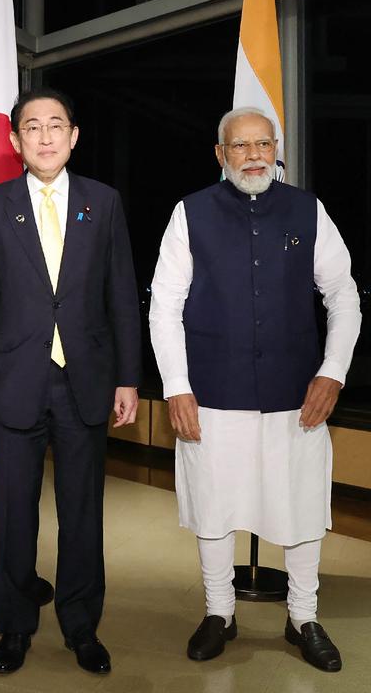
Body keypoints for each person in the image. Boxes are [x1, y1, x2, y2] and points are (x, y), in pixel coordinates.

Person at [149, 106, 360, 673]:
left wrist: (333, 371)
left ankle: (303, 617)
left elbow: (343, 295)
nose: (254, 155)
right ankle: (219, 612)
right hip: (211, 394)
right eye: (239, 146)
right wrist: (177, 386)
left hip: (298, 395)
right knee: (213, 508)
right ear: (221, 155)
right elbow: (164, 306)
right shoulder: (189, 213)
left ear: (276, 149)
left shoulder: (307, 210)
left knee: (301, 506)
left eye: (262, 144)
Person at [0, 88, 141, 675]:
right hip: (13, 382)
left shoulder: (103, 203)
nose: (44, 136)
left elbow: (120, 298)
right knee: (13, 512)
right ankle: (13, 626)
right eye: (31, 127)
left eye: (55, 125)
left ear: (74, 135)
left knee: (83, 512)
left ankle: (82, 626)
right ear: (15, 142)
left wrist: (129, 379)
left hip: (85, 382)